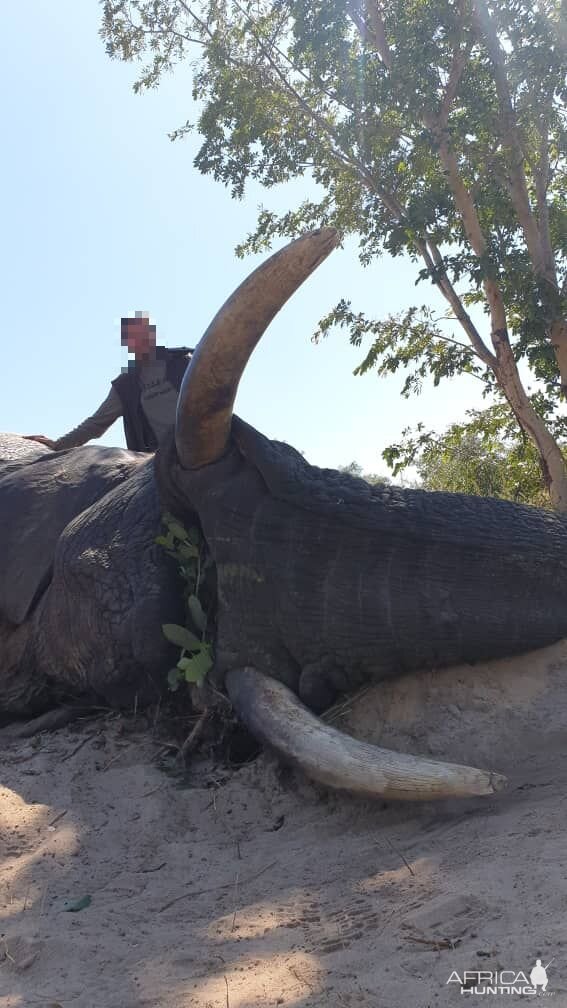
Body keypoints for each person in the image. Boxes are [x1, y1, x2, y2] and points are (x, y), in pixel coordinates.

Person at [25, 313, 194, 453]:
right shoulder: (126, 386)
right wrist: (57, 445)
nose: (139, 341)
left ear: (153, 335)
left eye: (143, 334)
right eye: (132, 337)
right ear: (127, 343)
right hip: (162, 463)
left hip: (205, 449)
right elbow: (95, 424)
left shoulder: (185, 363)